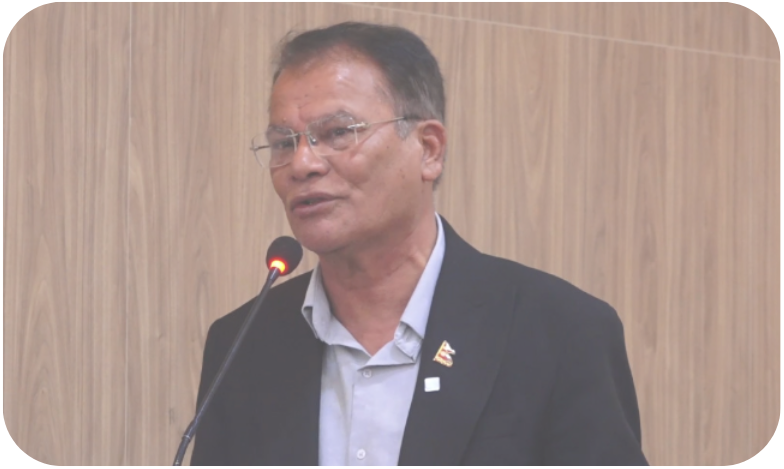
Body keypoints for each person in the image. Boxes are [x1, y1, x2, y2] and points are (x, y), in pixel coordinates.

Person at [191, 22, 648, 466]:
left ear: (429, 149)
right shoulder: (242, 344)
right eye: (283, 143)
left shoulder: (559, 331)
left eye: (337, 133)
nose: (302, 163)